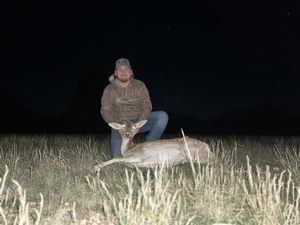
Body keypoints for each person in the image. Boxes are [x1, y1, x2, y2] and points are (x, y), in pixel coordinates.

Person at [100, 58, 168, 157]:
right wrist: (117, 127)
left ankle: (149, 145)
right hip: (120, 124)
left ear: (131, 72)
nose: (123, 72)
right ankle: (112, 142)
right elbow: (105, 111)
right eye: (120, 70)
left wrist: (138, 125)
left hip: (137, 121)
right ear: (115, 73)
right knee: (117, 156)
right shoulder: (109, 89)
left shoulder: (140, 85)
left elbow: (147, 106)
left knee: (162, 116)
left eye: (126, 69)